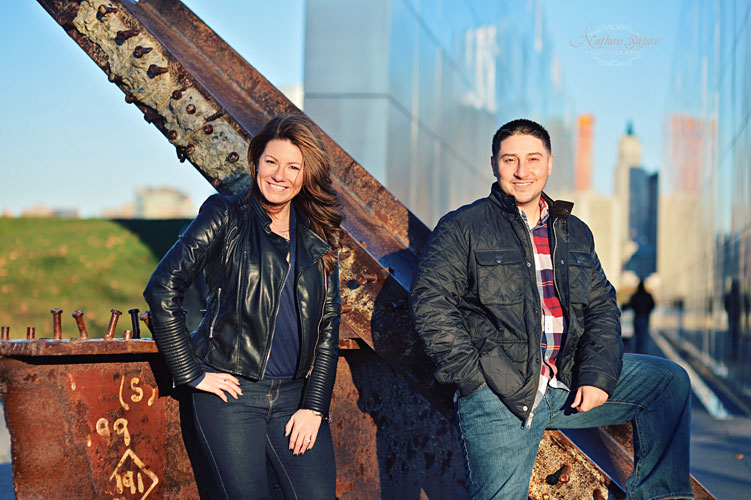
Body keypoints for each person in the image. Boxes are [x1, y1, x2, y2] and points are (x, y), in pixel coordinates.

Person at [410, 119, 693, 500]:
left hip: (567, 382)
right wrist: (476, 383)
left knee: (668, 383)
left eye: (532, 159)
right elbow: (431, 303)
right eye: (510, 159)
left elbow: (602, 306)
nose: (522, 171)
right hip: (501, 392)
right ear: (494, 164)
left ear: (549, 164)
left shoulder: (573, 231)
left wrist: (597, 374)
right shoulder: (464, 226)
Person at [144, 114, 342, 500]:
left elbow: (328, 324)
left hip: (294, 398)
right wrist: (192, 372)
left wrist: (314, 405)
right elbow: (162, 288)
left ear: (305, 176)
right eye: (271, 162)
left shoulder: (318, 236)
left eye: (293, 167)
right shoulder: (225, 215)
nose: (279, 175)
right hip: (230, 395)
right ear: (255, 164)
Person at [623, 279, 656, 354]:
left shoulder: (635, 295)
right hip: (645, 317)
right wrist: (647, 311)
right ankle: (643, 351)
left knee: (636, 335)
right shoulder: (648, 295)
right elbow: (653, 305)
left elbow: (630, 304)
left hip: (637, 317)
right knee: (644, 335)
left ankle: (637, 351)